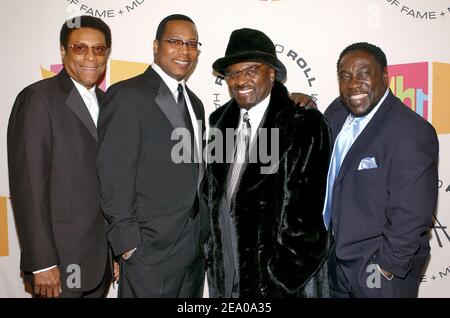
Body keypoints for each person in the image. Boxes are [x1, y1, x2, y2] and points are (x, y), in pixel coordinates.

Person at [204, 28, 331, 298]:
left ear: (271, 73)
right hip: (225, 281)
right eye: (233, 73)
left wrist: (277, 281)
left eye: (251, 70)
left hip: (279, 287)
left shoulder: (303, 124)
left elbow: (307, 222)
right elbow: (213, 199)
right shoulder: (218, 125)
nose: (240, 80)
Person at [97, 14, 210, 298]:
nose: (185, 50)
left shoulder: (195, 104)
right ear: (156, 46)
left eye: (192, 44)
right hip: (148, 249)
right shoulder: (126, 95)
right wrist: (127, 243)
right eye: (175, 41)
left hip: (193, 247)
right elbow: (113, 174)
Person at [7, 15, 114, 298]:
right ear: (64, 51)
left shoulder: (110, 104)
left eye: (99, 49)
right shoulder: (37, 100)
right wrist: (42, 262)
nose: (91, 57)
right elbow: (29, 187)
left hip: (98, 261)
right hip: (58, 262)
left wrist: (112, 250)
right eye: (80, 48)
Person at [323, 42, 439, 298]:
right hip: (334, 268)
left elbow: (411, 216)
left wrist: (383, 270)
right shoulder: (336, 113)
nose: (354, 84)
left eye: (364, 74)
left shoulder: (411, 131)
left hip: (377, 275)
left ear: (385, 76)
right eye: (345, 76)